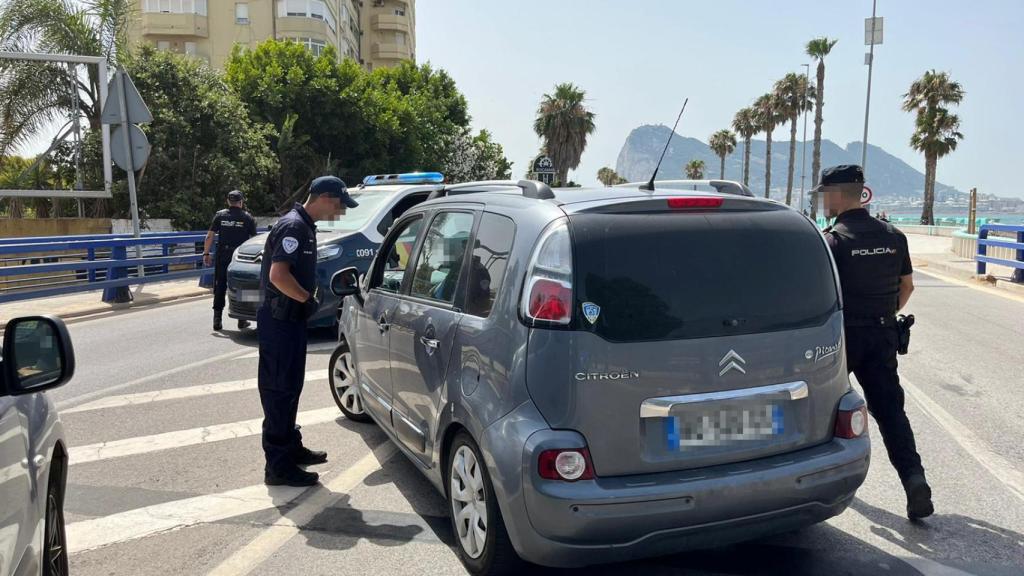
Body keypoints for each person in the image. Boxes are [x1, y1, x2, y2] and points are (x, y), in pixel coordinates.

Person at [815, 164, 933, 520]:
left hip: (844, 338)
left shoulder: (832, 241)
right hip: (882, 334)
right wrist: (884, 313)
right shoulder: (895, 236)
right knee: (892, 413)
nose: (822, 202)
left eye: (824, 195)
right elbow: (908, 286)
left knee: (825, 410)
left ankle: (821, 489)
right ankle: (914, 481)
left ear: (837, 195)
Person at [258, 176, 357, 487]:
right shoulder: (294, 227)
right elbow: (278, 275)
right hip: (279, 324)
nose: (339, 212)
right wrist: (307, 298)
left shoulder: (305, 226)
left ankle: (290, 447)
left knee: (290, 388)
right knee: (278, 390)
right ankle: (278, 466)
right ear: (326, 198)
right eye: (340, 205)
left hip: (290, 322)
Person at [204, 190, 257, 331]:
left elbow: (209, 236)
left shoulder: (220, 216)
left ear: (228, 201)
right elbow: (254, 241)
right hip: (240, 258)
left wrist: (206, 253)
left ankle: (217, 320)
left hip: (223, 255)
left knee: (220, 286)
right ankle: (242, 319)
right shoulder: (248, 218)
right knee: (242, 286)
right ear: (241, 202)